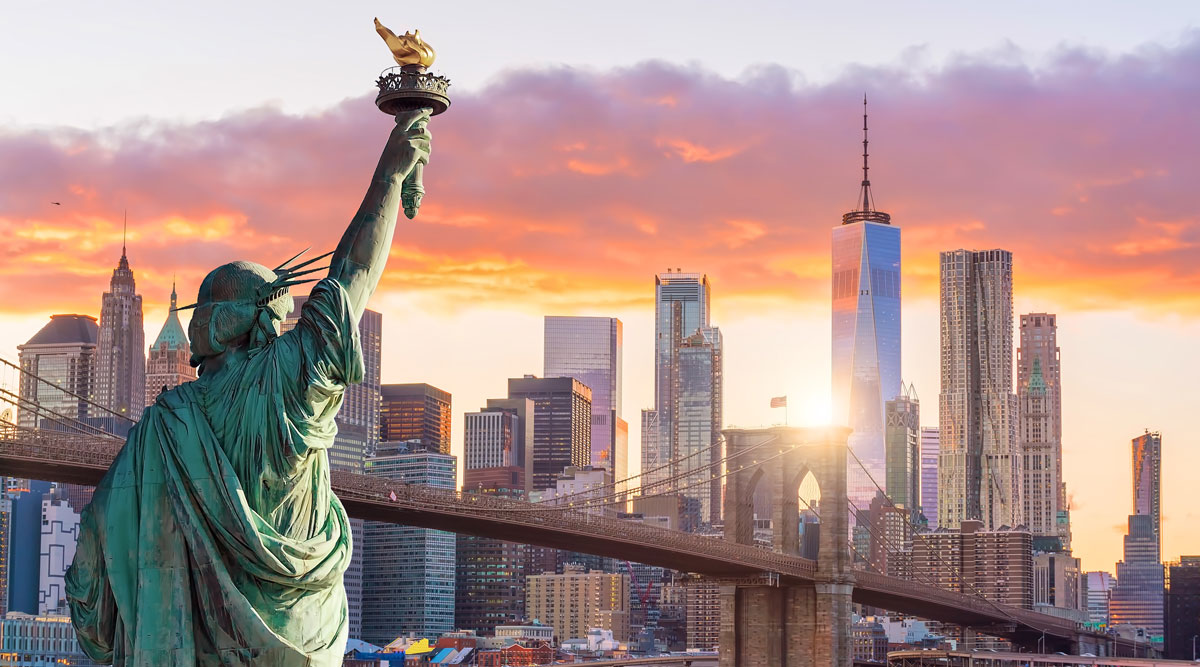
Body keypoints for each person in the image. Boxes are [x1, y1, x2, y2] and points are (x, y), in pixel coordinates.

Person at [65, 108, 433, 666]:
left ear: (207, 326)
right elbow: (351, 276)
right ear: (265, 323)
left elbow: (89, 576)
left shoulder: (163, 427)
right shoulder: (286, 385)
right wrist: (390, 176)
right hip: (304, 643)